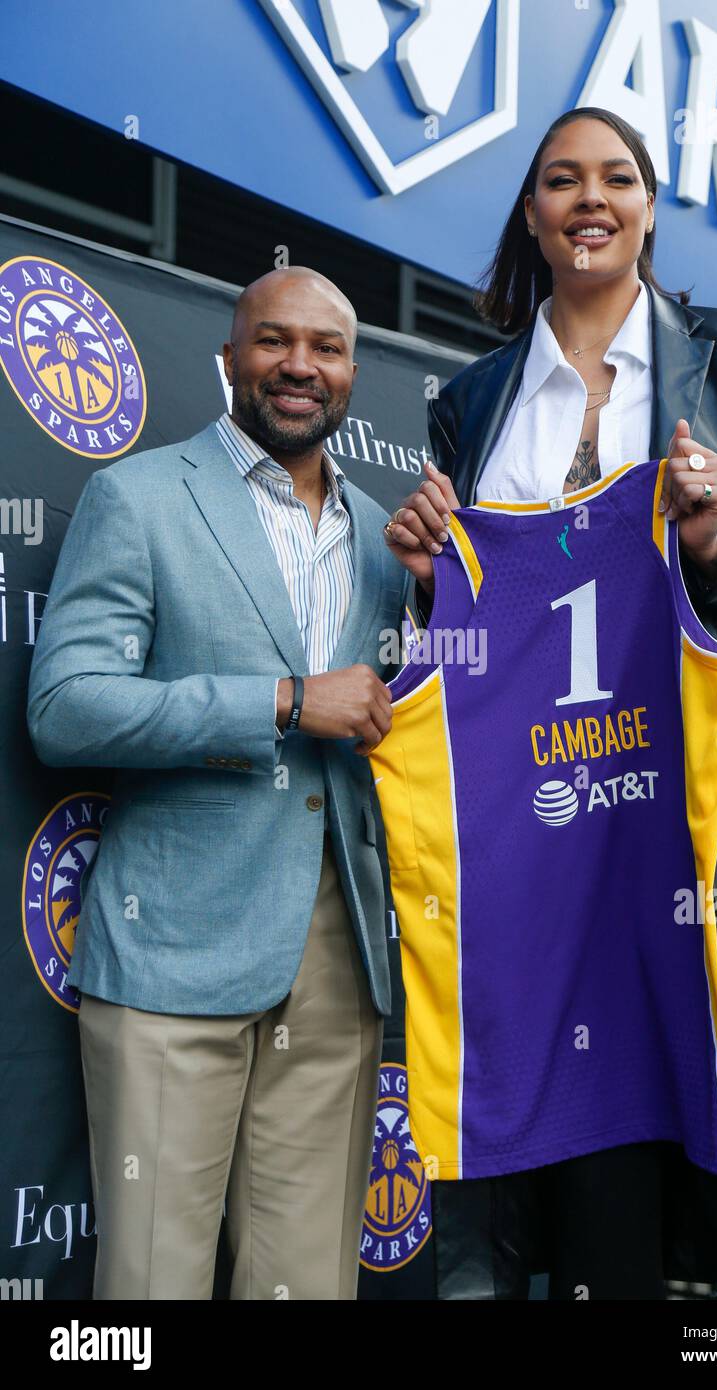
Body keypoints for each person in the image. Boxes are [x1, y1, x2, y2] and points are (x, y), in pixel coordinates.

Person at [381, 107, 717, 1300]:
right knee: (598, 1197)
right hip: (547, 844)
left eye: (613, 178)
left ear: (648, 205)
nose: (586, 199)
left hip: (705, 820)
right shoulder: (475, 398)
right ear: (532, 216)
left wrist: (716, 548)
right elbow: (469, 628)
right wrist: (429, 581)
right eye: (558, 181)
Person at [27, 267, 410, 1300]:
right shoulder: (139, 496)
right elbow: (65, 706)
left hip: (337, 958)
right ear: (230, 357)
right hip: (173, 952)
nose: (299, 367)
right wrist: (280, 700)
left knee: (306, 1284)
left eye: (325, 348)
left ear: (351, 372)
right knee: (152, 1282)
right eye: (273, 342)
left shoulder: (386, 540)